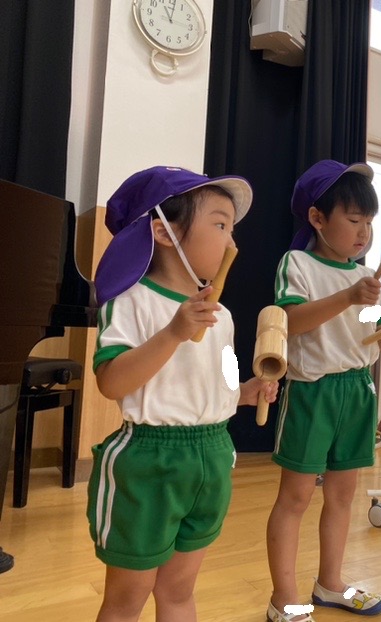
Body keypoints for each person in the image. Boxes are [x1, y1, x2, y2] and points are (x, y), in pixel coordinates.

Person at [88, 166, 278, 622]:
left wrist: (246, 392)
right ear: (164, 232)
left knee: (179, 591)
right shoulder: (131, 301)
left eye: (231, 229)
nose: (232, 243)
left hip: (211, 457)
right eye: (220, 225)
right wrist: (173, 332)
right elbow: (111, 382)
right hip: (149, 462)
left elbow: (222, 381)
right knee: (128, 597)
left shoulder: (222, 315)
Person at [266, 160, 381, 622]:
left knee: (343, 496)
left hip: (357, 391)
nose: (364, 232)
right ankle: (283, 597)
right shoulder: (298, 264)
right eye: (353, 220)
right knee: (295, 499)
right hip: (312, 390)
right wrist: (349, 296)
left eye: (369, 222)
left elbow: (373, 339)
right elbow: (290, 322)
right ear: (317, 218)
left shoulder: (361, 278)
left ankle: (330, 584)